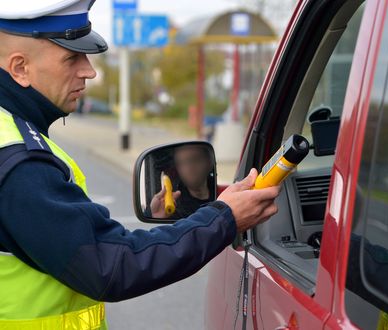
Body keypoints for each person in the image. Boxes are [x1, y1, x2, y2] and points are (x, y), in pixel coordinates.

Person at [0, 1, 281, 329]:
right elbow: (111, 266)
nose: (89, 70)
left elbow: (83, 243)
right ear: (20, 68)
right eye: (72, 57)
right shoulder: (21, 162)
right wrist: (224, 219)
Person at [150, 145, 215, 219]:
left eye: (194, 160)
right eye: (181, 163)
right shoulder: (173, 204)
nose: (189, 168)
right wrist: (157, 216)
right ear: (177, 169)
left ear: (209, 163)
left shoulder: (222, 195)